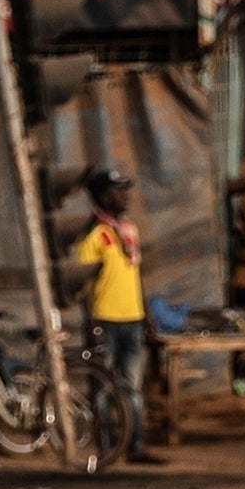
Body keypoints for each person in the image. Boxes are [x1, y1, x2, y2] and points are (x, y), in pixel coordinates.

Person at [73, 167, 150, 451]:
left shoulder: (129, 230)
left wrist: (146, 314)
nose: (125, 197)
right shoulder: (94, 235)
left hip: (133, 319)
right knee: (103, 387)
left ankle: (136, 443)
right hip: (105, 321)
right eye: (119, 192)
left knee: (132, 386)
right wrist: (91, 324)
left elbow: (135, 275)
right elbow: (84, 287)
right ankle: (105, 445)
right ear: (104, 196)